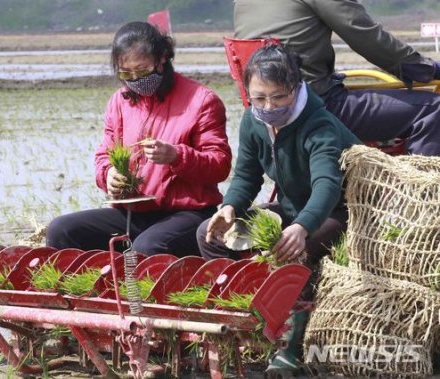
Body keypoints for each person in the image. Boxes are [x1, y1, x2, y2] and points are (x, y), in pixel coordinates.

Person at [196, 44, 361, 375]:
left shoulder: (319, 125)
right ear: (248, 93)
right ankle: (242, 315)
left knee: (286, 251)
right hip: (290, 209)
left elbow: (327, 186)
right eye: (259, 98)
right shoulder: (253, 120)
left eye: (278, 97)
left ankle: (292, 345)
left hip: (336, 214)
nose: (268, 106)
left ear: (296, 88)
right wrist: (230, 207)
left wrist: (302, 227)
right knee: (209, 234)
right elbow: (246, 174)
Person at [46, 21, 232, 256]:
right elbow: (105, 154)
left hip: (188, 214)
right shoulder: (119, 101)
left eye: (142, 71)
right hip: (133, 212)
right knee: (61, 230)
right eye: (126, 73)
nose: (135, 79)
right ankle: (90, 290)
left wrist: (176, 156)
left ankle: (147, 288)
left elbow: (220, 165)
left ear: (162, 58)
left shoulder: (202, 101)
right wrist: (108, 175)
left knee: (146, 246)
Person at [233, 0, 440, 156]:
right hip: (314, 106)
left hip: (265, 112)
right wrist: (425, 68)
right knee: (432, 109)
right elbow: (364, 34)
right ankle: (422, 201)